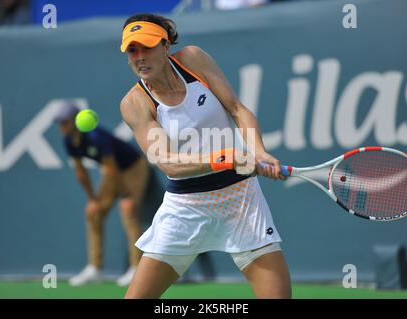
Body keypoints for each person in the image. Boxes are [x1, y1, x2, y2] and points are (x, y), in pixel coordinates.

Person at [119, 14, 291, 298]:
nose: (139, 57)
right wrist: (226, 158)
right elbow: (168, 163)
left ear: (165, 46)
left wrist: (259, 151)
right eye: (132, 51)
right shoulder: (134, 103)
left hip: (241, 199)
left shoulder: (193, 59)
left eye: (147, 47)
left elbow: (236, 108)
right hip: (185, 208)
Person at [55, 102, 150, 287]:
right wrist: (92, 199)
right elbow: (80, 171)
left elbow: (113, 168)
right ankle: (95, 268)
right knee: (93, 212)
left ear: (75, 122)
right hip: (110, 171)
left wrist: (126, 194)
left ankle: (136, 268)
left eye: (65, 122)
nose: (62, 127)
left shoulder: (96, 136)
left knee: (128, 209)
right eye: (59, 123)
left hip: (134, 168)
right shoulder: (68, 140)